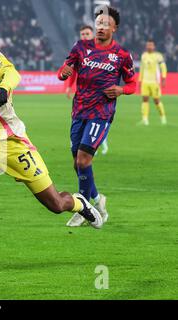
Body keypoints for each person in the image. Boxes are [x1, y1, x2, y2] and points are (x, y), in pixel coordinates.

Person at [0, 20, 103, 281]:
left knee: (55, 203)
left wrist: (3, 89)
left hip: (13, 145)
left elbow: (12, 74)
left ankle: (79, 203)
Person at [58, 6, 136, 228]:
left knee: (83, 160)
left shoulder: (121, 55)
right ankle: (97, 199)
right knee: (77, 163)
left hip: (101, 113)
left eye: (105, 24)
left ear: (114, 28)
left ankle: (83, 210)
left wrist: (121, 90)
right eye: (98, 23)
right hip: (79, 111)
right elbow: (65, 69)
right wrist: (64, 72)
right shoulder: (81, 47)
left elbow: (132, 84)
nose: (100, 27)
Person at [65, 25, 109, 156]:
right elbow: (71, 69)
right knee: (81, 124)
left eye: (87, 34)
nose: (84, 37)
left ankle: (96, 144)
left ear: (93, 35)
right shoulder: (78, 50)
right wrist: (69, 86)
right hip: (82, 97)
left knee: (95, 121)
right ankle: (86, 145)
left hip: (98, 96)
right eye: (82, 34)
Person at [139, 40, 168, 125]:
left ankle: (163, 117)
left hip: (155, 82)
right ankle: (145, 119)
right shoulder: (144, 55)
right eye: (148, 45)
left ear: (154, 46)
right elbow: (142, 68)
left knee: (156, 100)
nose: (149, 47)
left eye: (151, 45)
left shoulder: (158, 56)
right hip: (145, 81)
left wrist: (163, 78)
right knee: (144, 99)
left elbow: (163, 67)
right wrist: (140, 79)